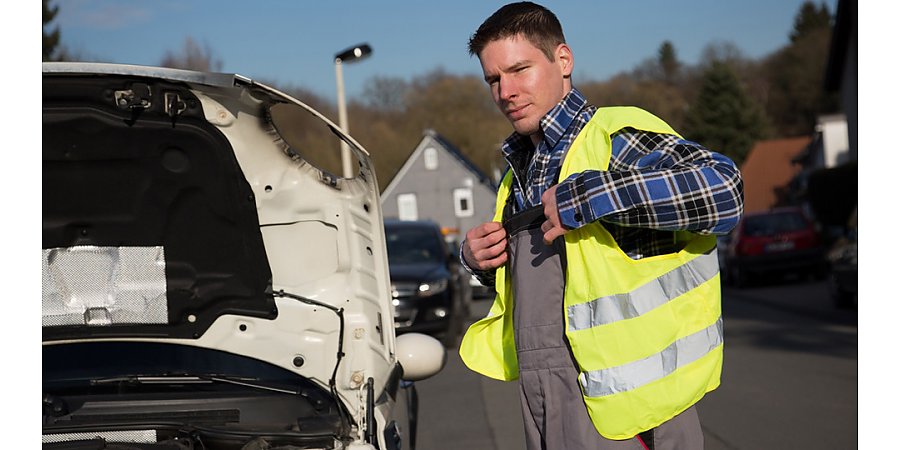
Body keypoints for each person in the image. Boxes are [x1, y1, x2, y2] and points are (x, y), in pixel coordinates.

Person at [457, 2, 743, 450]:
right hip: (546, 408)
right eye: (493, 79)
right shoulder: (515, 178)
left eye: (519, 70)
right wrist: (481, 262)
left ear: (563, 60)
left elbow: (724, 190)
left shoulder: (614, 138)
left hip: (635, 420)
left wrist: (592, 195)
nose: (506, 91)